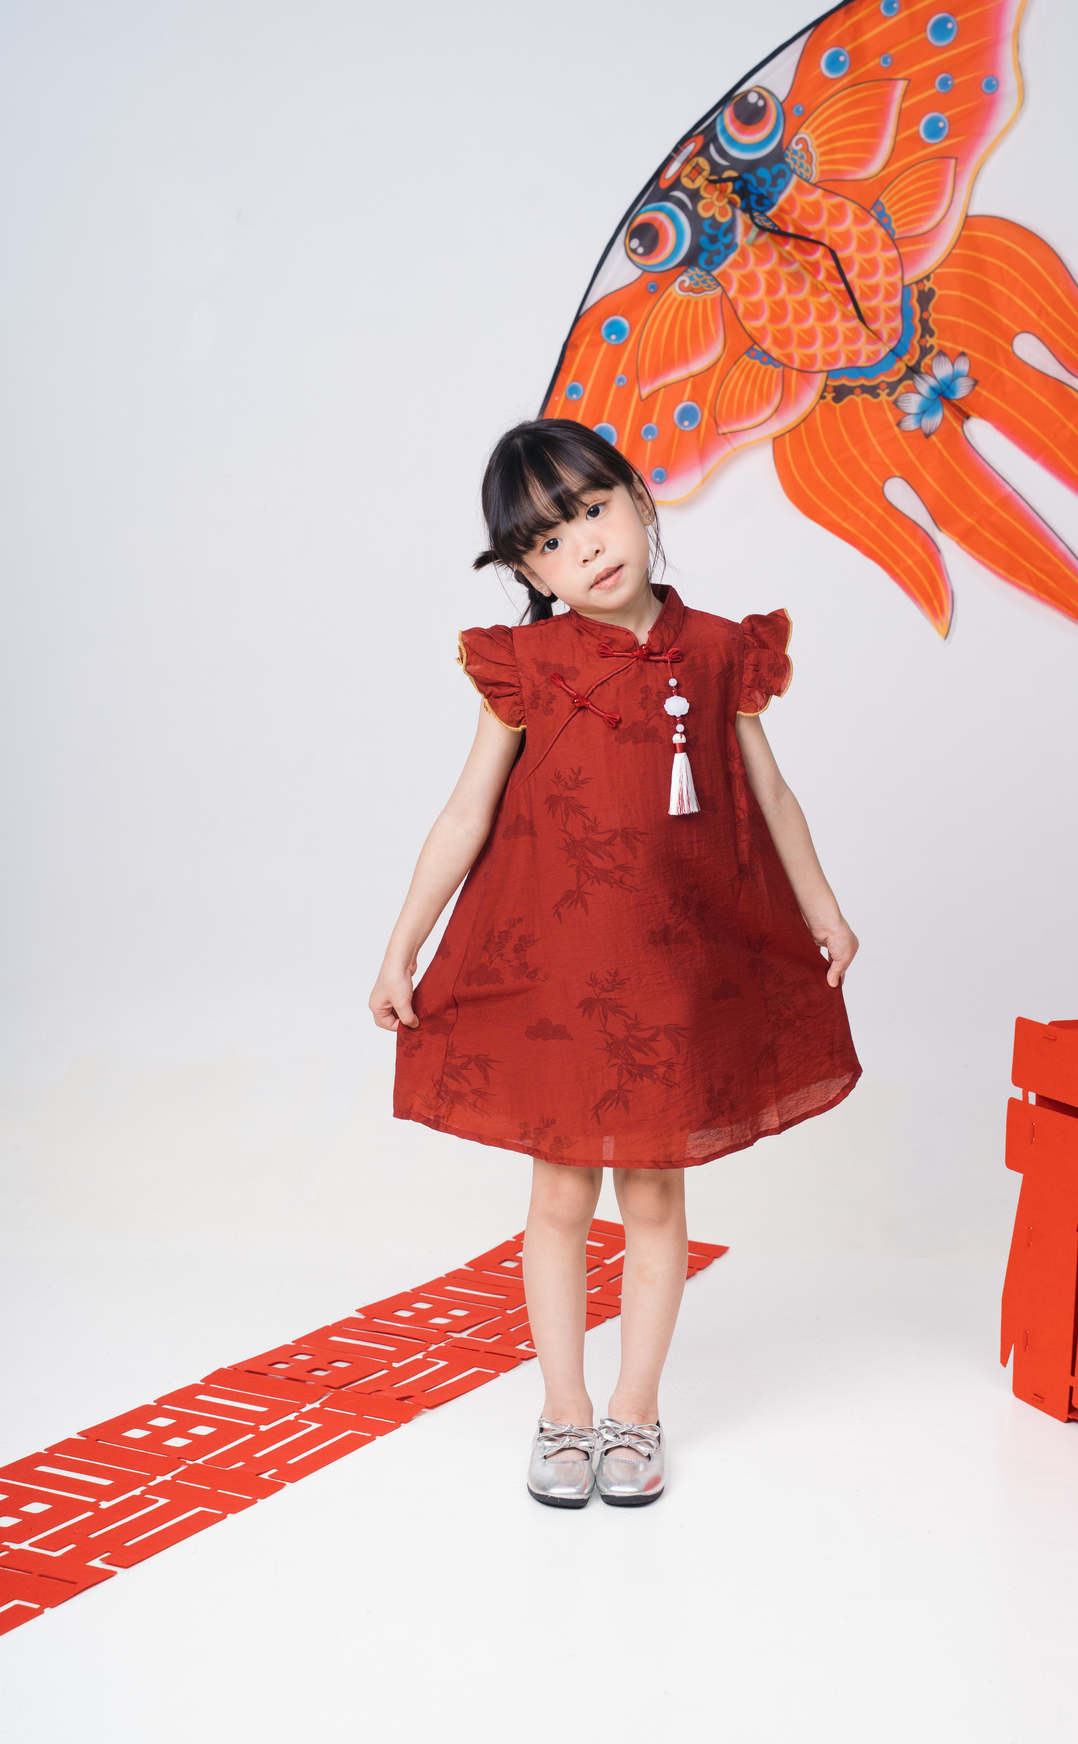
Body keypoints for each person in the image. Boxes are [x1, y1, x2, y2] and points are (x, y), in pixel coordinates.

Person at [369, 417, 860, 1508]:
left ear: (640, 499)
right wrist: (402, 947)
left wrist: (824, 908)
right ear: (528, 574)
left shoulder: (722, 650)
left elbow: (772, 796)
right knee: (558, 1195)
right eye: (548, 542)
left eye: (593, 511)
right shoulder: (529, 667)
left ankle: (635, 1410)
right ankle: (564, 1411)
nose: (584, 546)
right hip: (559, 974)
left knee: (653, 1193)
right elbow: (464, 814)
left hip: (673, 974)